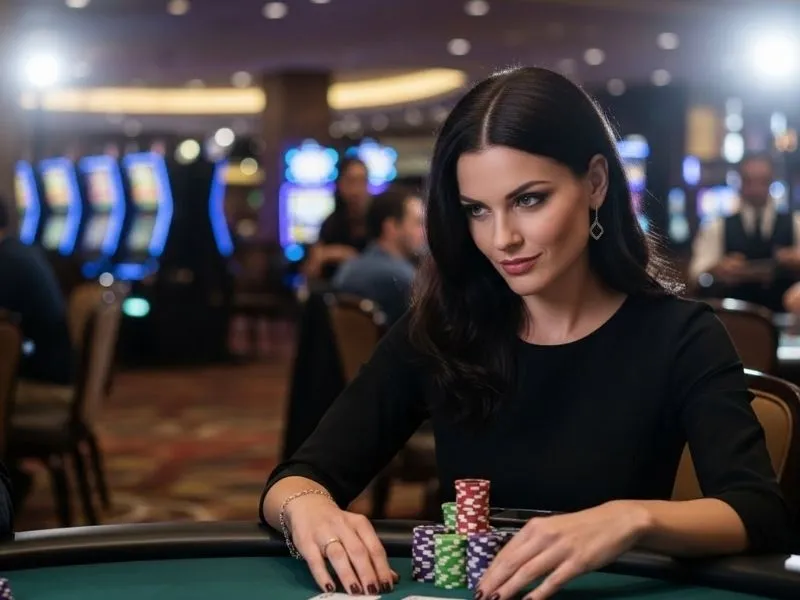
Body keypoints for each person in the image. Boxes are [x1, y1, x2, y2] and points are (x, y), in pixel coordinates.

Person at [260, 67, 792, 600]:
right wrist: (304, 506)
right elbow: (300, 475)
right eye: (477, 211)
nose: (502, 239)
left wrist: (631, 519)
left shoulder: (680, 335)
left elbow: (756, 509)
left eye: (529, 199)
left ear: (596, 183)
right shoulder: (444, 329)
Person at [688, 153, 800, 311]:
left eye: (763, 181)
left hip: (784, 317)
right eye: (749, 181)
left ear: (771, 181)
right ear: (740, 181)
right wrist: (718, 267)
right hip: (734, 319)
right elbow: (696, 275)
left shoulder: (795, 223)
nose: (756, 188)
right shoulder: (717, 226)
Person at [332, 186, 425, 325]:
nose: (425, 232)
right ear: (391, 227)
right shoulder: (404, 277)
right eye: (418, 223)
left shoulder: (347, 269)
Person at [304, 157, 371, 281]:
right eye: (351, 181)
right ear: (340, 185)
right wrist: (327, 255)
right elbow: (310, 272)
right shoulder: (330, 223)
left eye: (362, 181)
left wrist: (347, 255)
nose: (356, 190)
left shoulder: (379, 219)